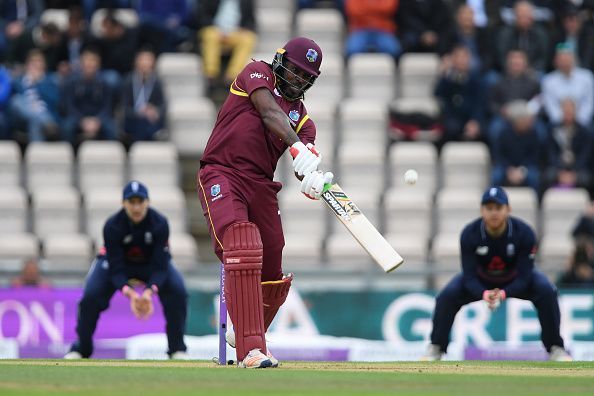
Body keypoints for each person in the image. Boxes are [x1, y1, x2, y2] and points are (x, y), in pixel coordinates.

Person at [197, 37, 332, 368]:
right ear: (280, 61)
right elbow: (270, 112)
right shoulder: (256, 73)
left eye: (306, 78)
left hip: (261, 186)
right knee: (241, 242)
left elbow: (305, 161)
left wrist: (312, 176)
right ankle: (252, 349)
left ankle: (247, 331)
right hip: (222, 173)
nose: (298, 81)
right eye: (296, 72)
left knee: (272, 260)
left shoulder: (303, 120)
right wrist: (299, 147)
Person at [421, 186, 573, 361]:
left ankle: (555, 347)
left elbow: (525, 276)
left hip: (516, 278)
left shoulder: (524, 233)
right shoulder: (469, 234)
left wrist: (503, 293)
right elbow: (468, 276)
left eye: (498, 208)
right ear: (481, 210)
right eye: (489, 208)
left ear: (508, 209)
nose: (494, 213)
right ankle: (436, 347)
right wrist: (483, 293)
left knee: (547, 291)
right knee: (447, 296)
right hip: (480, 280)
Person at [65, 181, 189, 359]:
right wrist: (130, 293)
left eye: (141, 201)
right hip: (119, 264)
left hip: (151, 265)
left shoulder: (160, 223)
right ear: (124, 203)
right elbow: (115, 269)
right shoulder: (112, 226)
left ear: (148, 202)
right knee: (90, 297)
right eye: (132, 202)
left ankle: (177, 349)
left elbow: (161, 266)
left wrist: (149, 291)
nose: (136, 207)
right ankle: (81, 348)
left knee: (178, 291)